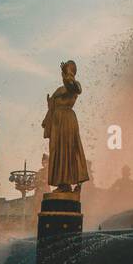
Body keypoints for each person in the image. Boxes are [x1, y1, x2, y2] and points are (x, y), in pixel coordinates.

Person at [42, 60, 89, 193]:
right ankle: (61, 182)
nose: (63, 74)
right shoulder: (59, 90)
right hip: (57, 122)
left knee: (66, 150)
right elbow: (52, 107)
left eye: (67, 70)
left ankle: (66, 183)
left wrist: (68, 76)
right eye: (63, 71)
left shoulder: (74, 85)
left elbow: (74, 88)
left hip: (66, 120)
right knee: (56, 151)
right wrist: (49, 110)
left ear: (72, 71)